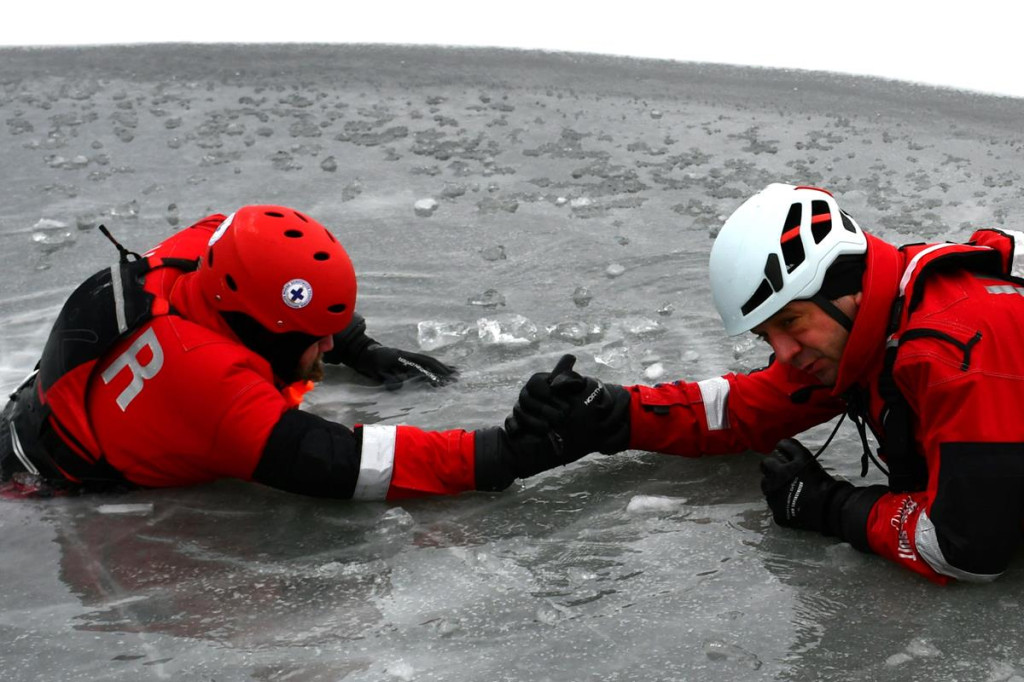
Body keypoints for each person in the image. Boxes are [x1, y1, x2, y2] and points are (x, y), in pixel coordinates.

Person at [508, 182, 1024, 585]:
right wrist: (616, 413)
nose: (784, 352)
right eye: (766, 334)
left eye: (791, 322)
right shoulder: (879, 315)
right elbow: (750, 407)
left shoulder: (958, 354)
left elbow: (965, 550)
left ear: (842, 284)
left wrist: (833, 507)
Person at [0, 205, 565, 499]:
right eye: (312, 337)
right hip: (34, 488)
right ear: (261, 330)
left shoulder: (205, 249)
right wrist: (505, 453)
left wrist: (359, 346)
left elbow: (254, 264)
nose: (327, 346)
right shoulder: (210, 385)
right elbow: (347, 465)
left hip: (35, 413)